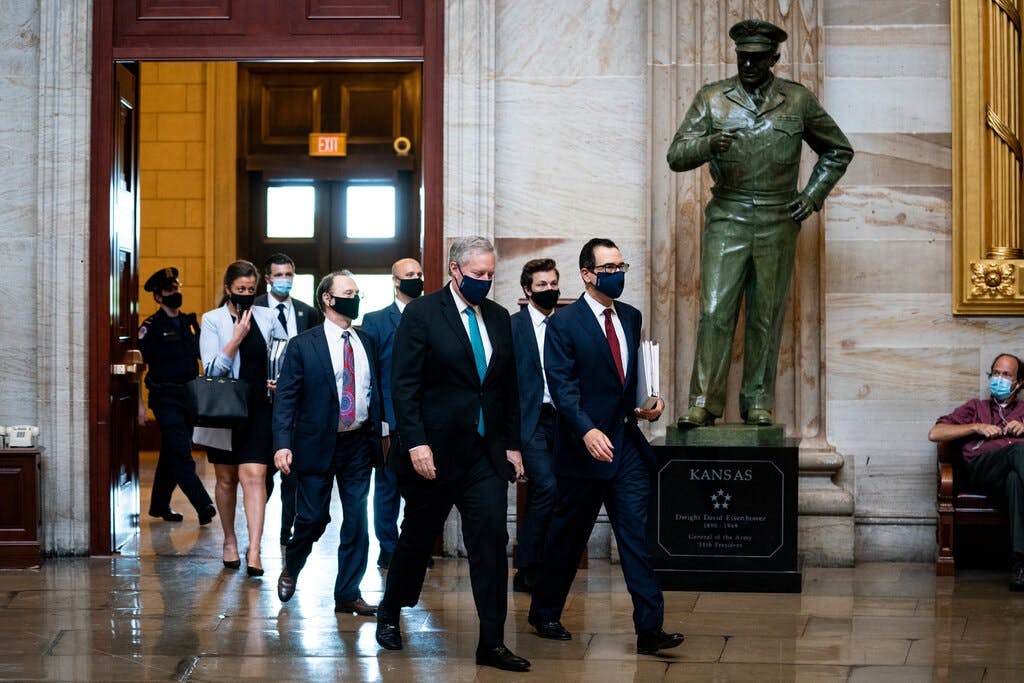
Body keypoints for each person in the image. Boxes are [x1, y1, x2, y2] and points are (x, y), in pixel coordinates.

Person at [667, 19, 853, 428]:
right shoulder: (713, 98)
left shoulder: (797, 101)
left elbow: (838, 149)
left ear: (775, 58)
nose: (748, 64)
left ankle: (756, 401)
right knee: (715, 310)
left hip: (777, 217)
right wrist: (706, 144)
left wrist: (812, 195)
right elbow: (676, 155)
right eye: (742, 57)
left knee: (765, 313)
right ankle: (702, 401)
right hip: (728, 214)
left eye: (757, 58)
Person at [374, 236, 530, 672]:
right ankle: (391, 609)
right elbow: (403, 385)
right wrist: (415, 441)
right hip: (434, 454)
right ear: (455, 270)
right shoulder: (423, 314)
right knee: (418, 540)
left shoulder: (499, 318)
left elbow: (507, 389)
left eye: (490, 275)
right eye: (477, 274)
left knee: (491, 543)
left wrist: (513, 444)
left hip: (485, 454)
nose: (484, 281)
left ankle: (492, 642)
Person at [527, 238, 684, 656]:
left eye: (621, 265)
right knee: (567, 538)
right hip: (584, 450)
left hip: (627, 446)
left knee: (635, 537)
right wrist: (585, 430)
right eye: (609, 267)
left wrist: (649, 403)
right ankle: (544, 612)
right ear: (587, 274)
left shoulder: (630, 317)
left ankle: (650, 629)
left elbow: (627, 378)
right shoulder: (564, 323)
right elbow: (561, 385)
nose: (618, 274)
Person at [273, 271, 384, 617]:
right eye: (348, 292)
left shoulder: (366, 341)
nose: (355, 298)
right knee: (312, 518)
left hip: (358, 445)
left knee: (356, 521)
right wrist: (282, 444)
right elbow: (286, 399)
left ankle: (348, 592)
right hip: (316, 444)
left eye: (357, 293)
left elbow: (372, 392)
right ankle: (293, 563)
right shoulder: (303, 345)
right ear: (328, 299)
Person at [198, 260, 286, 577]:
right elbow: (212, 370)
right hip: (224, 410)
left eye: (251, 289)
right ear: (228, 289)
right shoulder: (212, 320)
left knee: (254, 477)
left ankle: (255, 550)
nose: (246, 294)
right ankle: (230, 541)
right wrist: (235, 338)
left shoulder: (268, 316)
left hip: (259, 408)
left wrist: (277, 378)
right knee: (226, 480)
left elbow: (282, 355)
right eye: (240, 290)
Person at [929, 353, 1024, 590]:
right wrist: (976, 427)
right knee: (1017, 452)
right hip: (981, 471)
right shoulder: (975, 407)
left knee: (1015, 479)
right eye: (996, 373)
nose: (999, 379)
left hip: (1010, 478)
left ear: (1019, 383)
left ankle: (1019, 566)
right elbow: (935, 433)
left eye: (1006, 375)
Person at [137, 267, 216, 527]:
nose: (176, 293)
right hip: (165, 399)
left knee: (172, 451)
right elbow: (139, 367)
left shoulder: (188, 324)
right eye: (170, 290)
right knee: (182, 453)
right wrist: (139, 404)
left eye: (177, 288)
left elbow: (202, 356)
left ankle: (159, 504)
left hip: (189, 398)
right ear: (158, 297)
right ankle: (203, 505)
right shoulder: (151, 327)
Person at [360, 257, 423, 571]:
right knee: (386, 488)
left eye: (419, 273)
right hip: (389, 418)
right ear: (396, 281)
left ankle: (415, 547)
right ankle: (388, 548)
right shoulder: (375, 321)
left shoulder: (432, 315)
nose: (416, 278)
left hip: (424, 419)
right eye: (409, 275)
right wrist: (379, 418)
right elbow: (371, 372)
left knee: (420, 488)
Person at [254, 252, 320, 547]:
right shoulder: (253, 308)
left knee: (291, 475)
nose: (285, 280)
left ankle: (286, 533)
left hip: (296, 406)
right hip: (261, 406)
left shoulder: (307, 312)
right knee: (261, 475)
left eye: (289, 275)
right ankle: (255, 532)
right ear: (267, 279)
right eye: (279, 275)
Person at [510, 258, 560, 593]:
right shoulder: (512, 327)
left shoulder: (567, 324)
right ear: (528, 290)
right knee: (546, 488)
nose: (549, 290)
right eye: (542, 285)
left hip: (566, 422)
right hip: (531, 420)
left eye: (553, 284)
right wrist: (510, 440)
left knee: (564, 492)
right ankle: (526, 565)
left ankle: (550, 563)